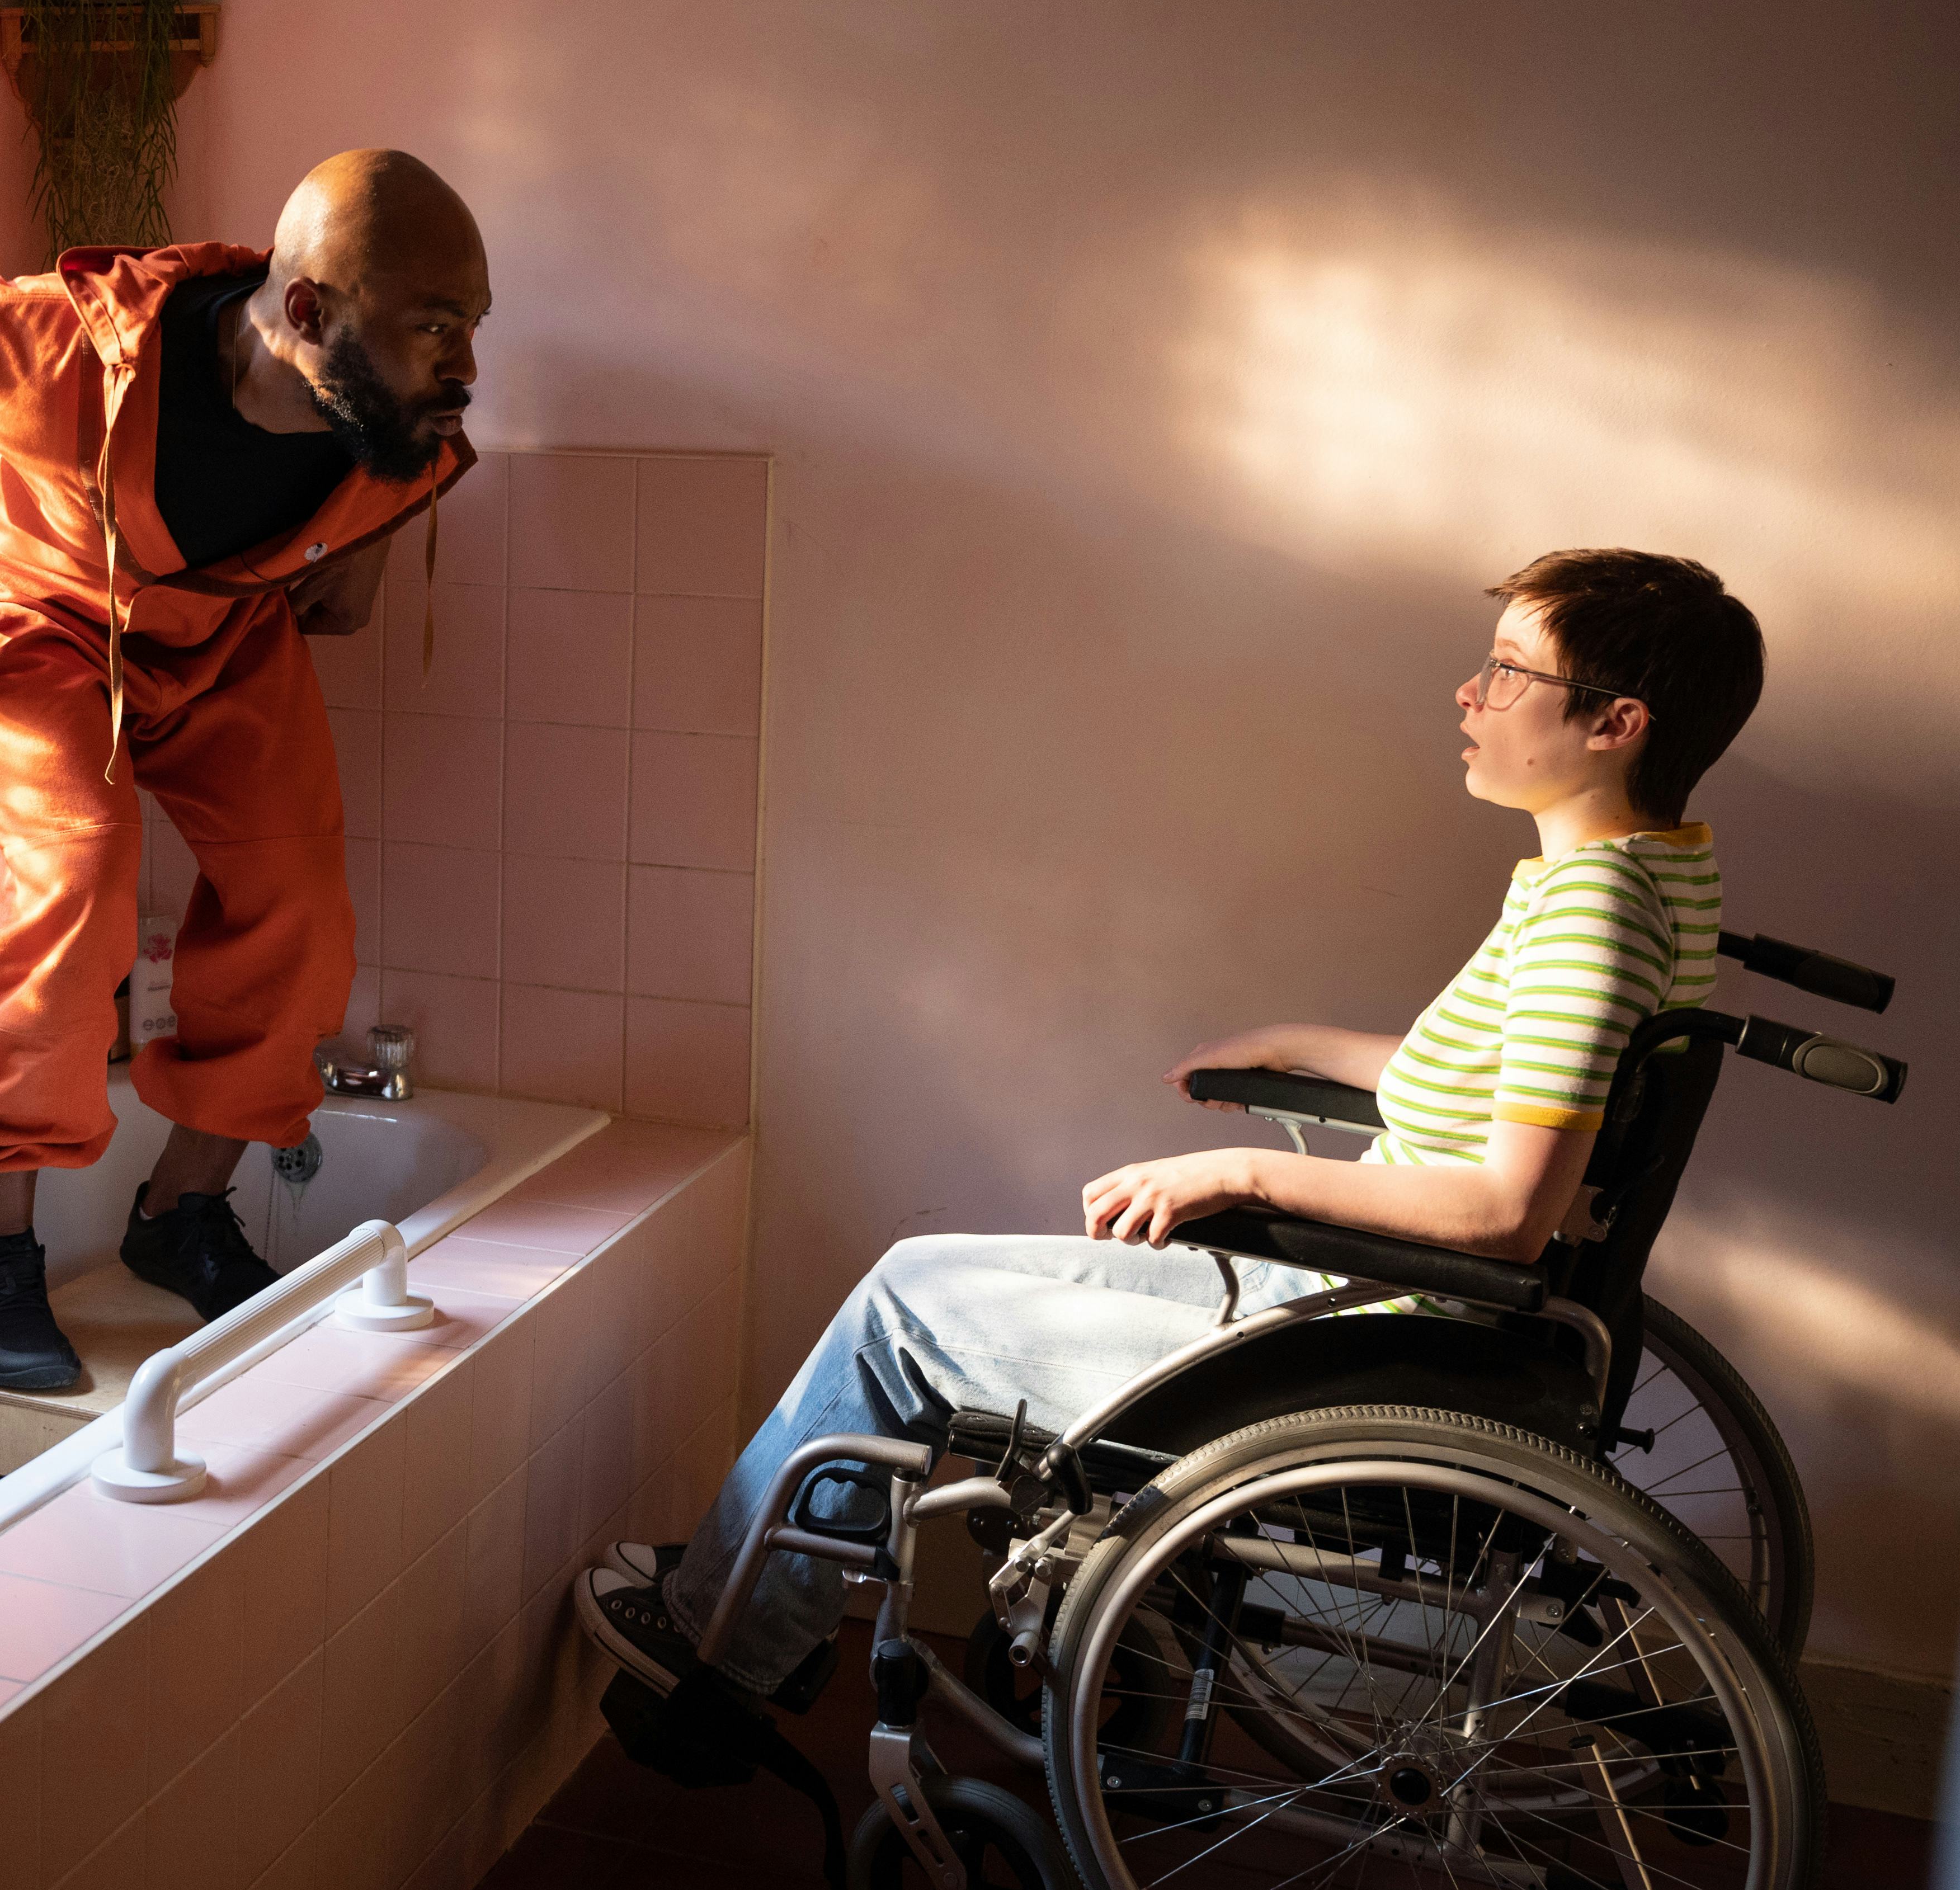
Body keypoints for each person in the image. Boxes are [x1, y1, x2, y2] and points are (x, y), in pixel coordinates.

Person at [578, 549, 1769, 1703]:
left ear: (1616, 723)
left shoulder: (1590, 914)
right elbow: (1516, 1086)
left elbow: (1511, 1210)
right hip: (1384, 1316)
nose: (1471, 692)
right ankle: (746, 1618)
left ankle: (726, 1647)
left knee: (903, 1312)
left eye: (1512, 670)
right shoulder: (1649, 875)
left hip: (1369, 1344)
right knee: (914, 1271)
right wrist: (1304, 1042)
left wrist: (1240, 1168)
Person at [0, 150, 489, 1390]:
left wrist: (380, 543)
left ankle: (179, 1211)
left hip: (221, 625)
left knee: (297, 904)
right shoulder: (53, 354)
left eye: (472, 326)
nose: (464, 364)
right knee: (73, 876)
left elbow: (426, 449)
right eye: (434, 328)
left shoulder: (383, 410)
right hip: (40, 614)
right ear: (308, 315)